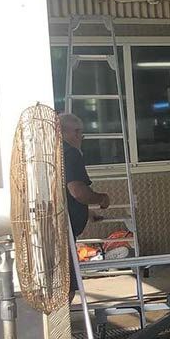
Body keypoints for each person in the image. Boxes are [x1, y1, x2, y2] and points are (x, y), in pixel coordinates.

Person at [59, 113, 109, 296]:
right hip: (63, 233)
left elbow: (62, 195)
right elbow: (77, 191)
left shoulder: (52, 154)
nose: (81, 139)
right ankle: (61, 324)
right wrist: (101, 199)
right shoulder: (70, 153)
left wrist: (86, 213)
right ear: (76, 132)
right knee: (67, 287)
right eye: (81, 134)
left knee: (61, 284)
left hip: (55, 229)